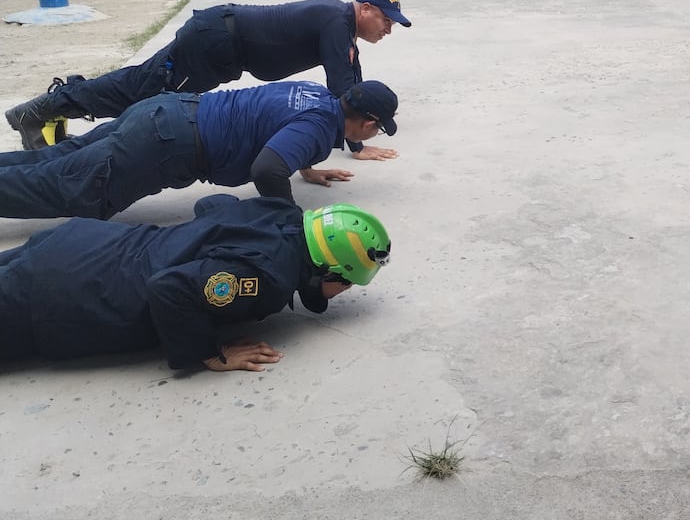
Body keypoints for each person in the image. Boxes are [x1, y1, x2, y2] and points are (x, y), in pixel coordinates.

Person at [0, 196, 389, 372]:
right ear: (326, 269)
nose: (344, 294)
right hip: (72, 293)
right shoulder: (270, 279)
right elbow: (169, 289)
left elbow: (212, 206)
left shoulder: (280, 214)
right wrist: (210, 354)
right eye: (347, 284)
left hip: (79, 243)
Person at [5, 0, 412, 151]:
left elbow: (351, 82)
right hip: (214, 41)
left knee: (142, 89)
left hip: (218, 42)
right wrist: (357, 144)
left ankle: (51, 108)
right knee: (144, 97)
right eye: (387, 21)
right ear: (365, 8)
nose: (389, 30)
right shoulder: (335, 22)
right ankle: (42, 112)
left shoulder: (340, 25)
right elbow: (344, 92)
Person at [0, 80, 397, 220]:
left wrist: (307, 168)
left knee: (56, 160)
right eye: (379, 128)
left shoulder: (316, 95)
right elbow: (267, 169)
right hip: (166, 144)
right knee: (68, 189)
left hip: (167, 110)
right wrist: (289, 221)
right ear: (367, 123)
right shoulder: (317, 127)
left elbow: (277, 125)